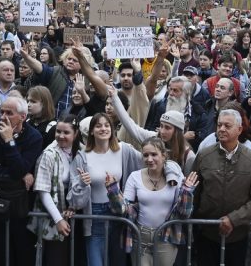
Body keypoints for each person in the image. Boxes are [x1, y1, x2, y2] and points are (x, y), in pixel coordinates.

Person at [69, 112, 179, 266]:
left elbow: (153, 160)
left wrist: (172, 174)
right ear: (91, 131)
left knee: (118, 262)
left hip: (119, 214)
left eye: (107, 125)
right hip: (94, 216)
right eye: (98, 125)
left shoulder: (123, 150)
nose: (103, 129)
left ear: (112, 130)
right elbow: (73, 198)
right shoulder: (82, 157)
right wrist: (81, 185)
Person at [191, 108, 251, 266]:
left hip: (238, 236)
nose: (221, 129)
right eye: (219, 125)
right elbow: (195, 193)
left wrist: (234, 219)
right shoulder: (204, 155)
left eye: (227, 126)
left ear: (239, 129)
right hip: (207, 234)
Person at [107, 136, 199, 266]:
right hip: (140, 235)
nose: (149, 159)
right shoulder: (135, 177)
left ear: (164, 155)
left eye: (154, 154)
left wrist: (187, 192)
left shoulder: (175, 175)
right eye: (145, 155)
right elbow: (123, 210)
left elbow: (184, 213)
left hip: (166, 237)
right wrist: (113, 191)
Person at [0, 95, 42, 265]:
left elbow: (20, 168)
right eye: (1, 112)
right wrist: (19, 175)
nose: (3, 117)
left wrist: (9, 141)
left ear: (22, 116)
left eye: (9, 113)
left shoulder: (34, 137)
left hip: (21, 206)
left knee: (21, 252)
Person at [29, 115, 82, 266]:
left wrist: (73, 206)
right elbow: (43, 190)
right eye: (58, 131)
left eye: (66, 132)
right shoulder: (49, 154)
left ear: (75, 134)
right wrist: (58, 219)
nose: (61, 136)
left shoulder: (80, 151)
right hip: (51, 219)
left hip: (73, 215)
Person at [110, 88, 196, 173]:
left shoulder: (188, 156)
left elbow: (188, 183)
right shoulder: (153, 138)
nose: (162, 131)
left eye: (167, 128)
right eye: (161, 126)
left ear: (177, 131)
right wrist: (114, 98)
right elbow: (130, 125)